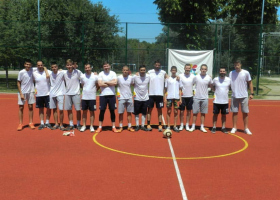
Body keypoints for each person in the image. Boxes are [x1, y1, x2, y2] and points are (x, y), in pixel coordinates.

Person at [229, 60, 254, 135]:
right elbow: (228, 82)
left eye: (238, 65)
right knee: (234, 112)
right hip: (234, 95)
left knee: (245, 112)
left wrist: (251, 93)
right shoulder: (231, 73)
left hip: (244, 95)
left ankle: (246, 128)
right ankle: (234, 127)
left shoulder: (246, 72)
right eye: (235, 65)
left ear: (241, 65)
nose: (236, 66)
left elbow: (250, 82)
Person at [96, 61, 118, 133]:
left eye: (107, 66)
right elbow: (100, 84)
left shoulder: (113, 73)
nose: (106, 67)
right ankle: (100, 127)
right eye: (105, 66)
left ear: (109, 66)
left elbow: (115, 83)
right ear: (103, 67)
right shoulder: (101, 74)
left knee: (112, 111)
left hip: (112, 95)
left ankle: (113, 127)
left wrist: (105, 82)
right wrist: (110, 82)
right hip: (103, 95)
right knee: (102, 111)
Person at [190, 64, 212, 133]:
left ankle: (202, 126)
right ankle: (193, 126)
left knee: (203, 113)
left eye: (205, 69)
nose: (203, 70)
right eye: (202, 69)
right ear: (200, 69)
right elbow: (192, 84)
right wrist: (193, 92)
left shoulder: (209, 78)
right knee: (195, 113)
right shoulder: (196, 77)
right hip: (196, 97)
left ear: (206, 70)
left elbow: (211, 85)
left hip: (205, 98)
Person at [63, 59, 83, 133]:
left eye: (70, 65)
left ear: (72, 65)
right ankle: (71, 124)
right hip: (68, 94)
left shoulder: (78, 72)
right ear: (66, 66)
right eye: (67, 65)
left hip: (76, 93)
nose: (69, 66)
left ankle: (78, 124)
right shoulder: (64, 73)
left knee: (78, 110)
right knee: (69, 110)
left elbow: (84, 77)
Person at [147, 60, 167, 132]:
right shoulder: (149, 72)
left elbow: (169, 78)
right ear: (154, 65)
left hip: (160, 94)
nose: (157, 66)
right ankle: (148, 124)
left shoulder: (163, 72)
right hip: (151, 94)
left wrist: (177, 76)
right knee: (149, 109)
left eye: (159, 65)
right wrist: (137, 73)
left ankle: (160, 124)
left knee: (159, 110)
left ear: (160, 65)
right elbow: (142, 76)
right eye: (156, 65)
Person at [17, 59, 36, 131]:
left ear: (31, 65)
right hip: (23, 92)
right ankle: (20, 124)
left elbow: (41, 67)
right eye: (26, 64)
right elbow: (18, 83)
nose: (28, 66)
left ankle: (31, 123)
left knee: (30, 107)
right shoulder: (21, 72)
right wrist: (21, 93)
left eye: (29, 64)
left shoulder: (33, 70)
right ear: (24, 64)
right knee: (21, 107)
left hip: (31, 91)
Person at [210, 67, 231, 134]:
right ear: (219, 72)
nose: (222, 72)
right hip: (216, 101)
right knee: (215, 114)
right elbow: (211, 85)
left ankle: (223, 127)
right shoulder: (215, 79)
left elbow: (232, 87)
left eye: (223, 71)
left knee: (224, 115)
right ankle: (214, 127)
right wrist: (214, 90)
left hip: (225, 101)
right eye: (221, 71)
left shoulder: (229, 80)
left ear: (225, 72)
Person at [33, 60, 52, 130]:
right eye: (38, 65)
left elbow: (57, 72)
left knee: (48, 108)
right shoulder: (34, 73)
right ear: (36, 66)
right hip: (38, 94)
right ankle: (42, 123)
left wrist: (46, 69)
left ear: (43, 65)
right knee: (41, 109)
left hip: (48, 93)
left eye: (41, 65)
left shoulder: (48, 72)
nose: (40, 66)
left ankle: (47, 122)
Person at [80, 64, 99, 132]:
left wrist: (94, 90)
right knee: (84, 112)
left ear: (91, 68)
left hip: (92, 97)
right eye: (86, 68)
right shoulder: (82, 76)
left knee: (92, 112)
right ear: (84, 69)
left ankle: (91, 126)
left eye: (88, 67)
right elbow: (82, 85)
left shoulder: (95, 76)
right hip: (84, 97)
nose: (87, 69)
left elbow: (98, 85)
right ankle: (84, 125)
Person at [116, 66, 135, 132]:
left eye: (126, 70)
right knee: (121, 113)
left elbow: (133, 84)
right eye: (124, 70)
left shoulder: (131, 78)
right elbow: (116, 84)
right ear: (122, 70)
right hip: (121, 98)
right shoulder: (119, 78)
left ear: (128, 71)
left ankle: (129, 126)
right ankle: (120, 127)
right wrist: (118, 94)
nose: (125, 71)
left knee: (129, 113)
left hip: (129, 97)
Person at [49, 62, 66, 130]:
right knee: (54, 109)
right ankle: (56, 123)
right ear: (51, 68)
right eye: (52, 67)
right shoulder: (50, 73)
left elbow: (71, 69)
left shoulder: (62, 72)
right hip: (52, 94)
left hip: (60, 94)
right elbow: (36, 69)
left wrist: (95, 74)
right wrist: (44, 67)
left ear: (57, 67)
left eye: (55, 67)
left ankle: (61, 124)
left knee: (61, 110)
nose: (54, 68)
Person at [132, 65, 150, 131]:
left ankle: (142, 125)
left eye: (144, 70)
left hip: (145, 98)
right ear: (139, 70)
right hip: (137, 98)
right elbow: (132, 83)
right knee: (136, 113)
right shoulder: (135, 76)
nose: (142, 71)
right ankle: (137, 125)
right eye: (141, 70)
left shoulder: (148, 76)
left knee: (144, 112)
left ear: (145, 70)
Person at [164, 66, 181, 132]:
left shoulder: (179, 79)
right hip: (169, 97)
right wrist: (165, 98)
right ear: (171, 71)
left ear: (176, 71)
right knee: (168, 111)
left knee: (176, 111)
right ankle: (168, 126)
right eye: (172, 70)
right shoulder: (168, 79)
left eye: (175, 70)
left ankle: (175, 126)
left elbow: (180, 89)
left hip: (176, 97)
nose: (173, 71)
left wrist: (180, 98)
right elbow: (165, 89)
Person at [178, 64, 195, 131]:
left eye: (189, 68)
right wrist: (180, 98)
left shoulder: (193, 76)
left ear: (190, 69)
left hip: (190, 96)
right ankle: (182, 124)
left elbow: (193, 84)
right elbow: (179, 86)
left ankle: (187, 125)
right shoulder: (180, 76)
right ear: (184, 68)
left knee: (189, 111)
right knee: (181, 112)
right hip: (182, 97)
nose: (187, 69)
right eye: (186, 68)